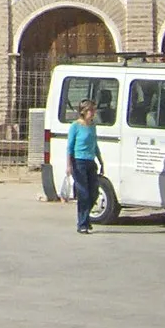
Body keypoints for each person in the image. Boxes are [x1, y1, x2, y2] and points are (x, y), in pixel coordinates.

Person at [67, 99, 101, 234]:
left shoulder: (93, 126)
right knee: (83, 194)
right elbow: (70, 147)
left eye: (94, 110)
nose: (93, 113)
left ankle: (86, 219)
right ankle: (82, 223)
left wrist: (101, 160)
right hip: (78, 162)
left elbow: (95, 144)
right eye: (90, 110)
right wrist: (69, 165)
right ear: (83, 111)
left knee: (94, 193)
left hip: (90, 161)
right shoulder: (75, 126)